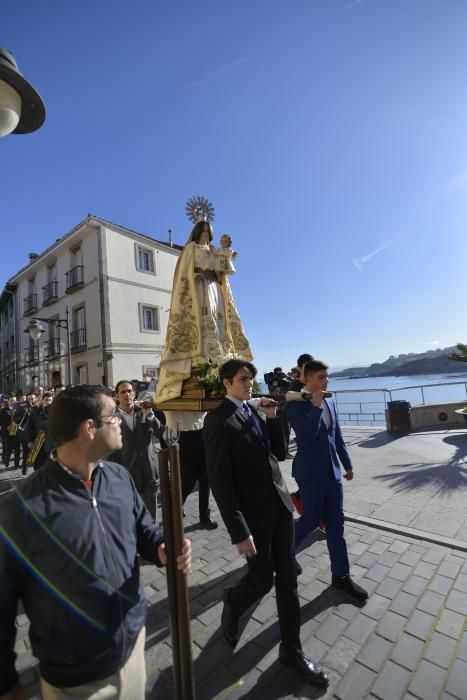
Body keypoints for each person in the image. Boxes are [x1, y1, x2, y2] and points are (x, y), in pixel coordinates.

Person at [0, 385, 191, 700]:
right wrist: (7, 685)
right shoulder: (22, 508)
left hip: (133, 650)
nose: (119, 421)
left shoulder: (118, 477)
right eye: (112, 416)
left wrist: (161, 547)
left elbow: (144, 528)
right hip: (76, 680)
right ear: (89, 428)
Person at [204, 359, 329, 688]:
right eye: (244, 379)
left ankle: (292, 651)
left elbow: (278, 453)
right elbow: (220, 481)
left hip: (280, 506)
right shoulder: (217, 420)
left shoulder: (255, 411)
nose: (249, 384)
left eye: (251, 380)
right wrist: (238, 530)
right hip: (253, 516)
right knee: (260, 581)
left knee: (288, 581)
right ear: (227, 382)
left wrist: (273, 419)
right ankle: (233, 601)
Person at [285, 360, 368, 601]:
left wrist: (347, 464)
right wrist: (316, 406)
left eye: (327, 377)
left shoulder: (330, 400)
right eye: (321, 377)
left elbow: (336, 436)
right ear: (307, 379)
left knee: (336, 525)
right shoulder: (295, 406)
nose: (326, 381)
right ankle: (281, 552)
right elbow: (307, 438)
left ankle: (341, 576)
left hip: (332, 474)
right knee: (310, 520)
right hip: (310, 474)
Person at [155, 219, 252, 404]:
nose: (206, 235)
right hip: (197, 289)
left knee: (217, 325)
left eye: (209, 232)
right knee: (201, 323)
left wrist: (224, 253)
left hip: (213, 289)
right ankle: (201, 364)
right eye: (204, 231)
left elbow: (220, 272)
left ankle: (218, 361)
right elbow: (185, 272)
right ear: (198, 232)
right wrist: (197, 273)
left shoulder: (213, 250)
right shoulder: (191, 248)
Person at [109, 380, 163, 523]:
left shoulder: (144, 412)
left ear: (134, 393)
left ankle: (152, 543)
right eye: (123, 392)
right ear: (117, 396)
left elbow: (160, 432)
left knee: (151, 514)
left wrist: (150, 415)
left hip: (150, 470)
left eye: (130, 391)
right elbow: (110, 452)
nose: (127, 394)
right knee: (130, 515)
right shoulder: (112, 419)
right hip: (128, 474)